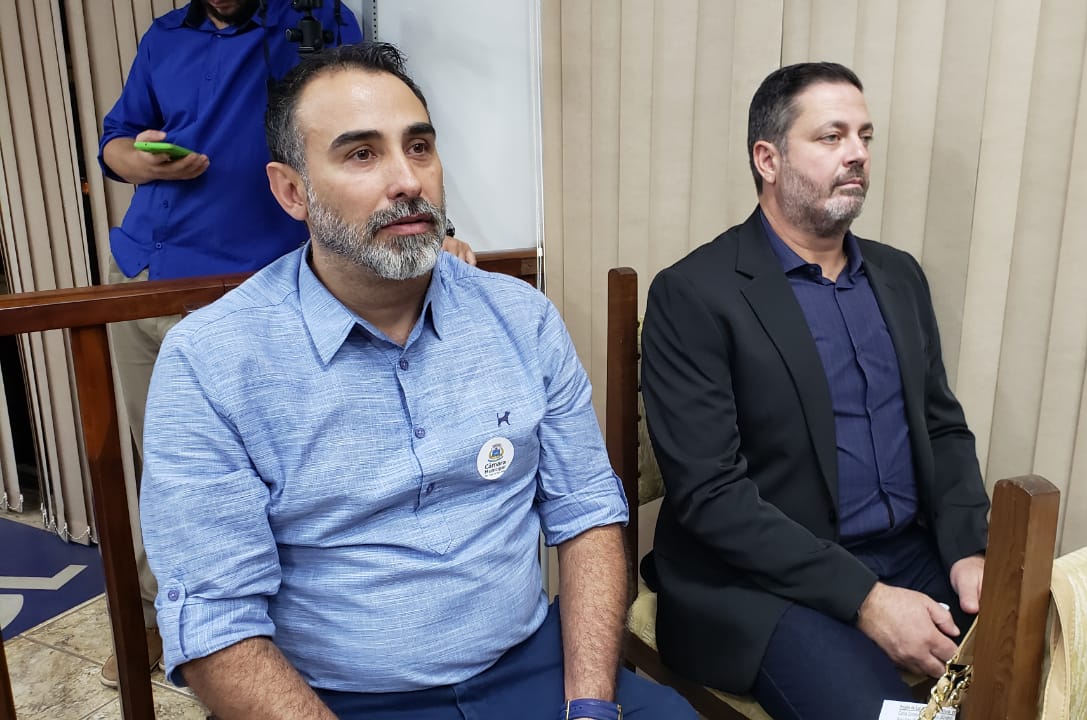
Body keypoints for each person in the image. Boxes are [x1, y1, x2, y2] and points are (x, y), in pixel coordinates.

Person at [138, 42, 695, 720]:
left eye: (420, 147)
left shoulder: (520, 318)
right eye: (361, 154)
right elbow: (215, 622)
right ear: (291, 191)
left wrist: (591, 708)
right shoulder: (213, 361)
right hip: (333, 699)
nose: (407, 179)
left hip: (534, 667)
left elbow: (587, 515)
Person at [639, 62, 991, 720]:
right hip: (763, 585)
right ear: (767, 159)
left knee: (1041, 661)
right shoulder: (694, 294)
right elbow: (712, 495)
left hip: (909, 551)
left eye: (864, 136)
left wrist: (970, 549)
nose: (857, 153)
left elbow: (942, 427)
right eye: (831, 137)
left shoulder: (899, 276)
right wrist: (867, 600)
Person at [94, 0, 363, 687]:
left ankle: (260, 631)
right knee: (162, 465)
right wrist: (139, 163)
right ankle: (160, 617)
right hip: (143, 272)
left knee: (264, 470)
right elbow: (115, 141)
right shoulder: (165, 35)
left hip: (241, 286)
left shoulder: (314, 21)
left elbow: (354, 131)